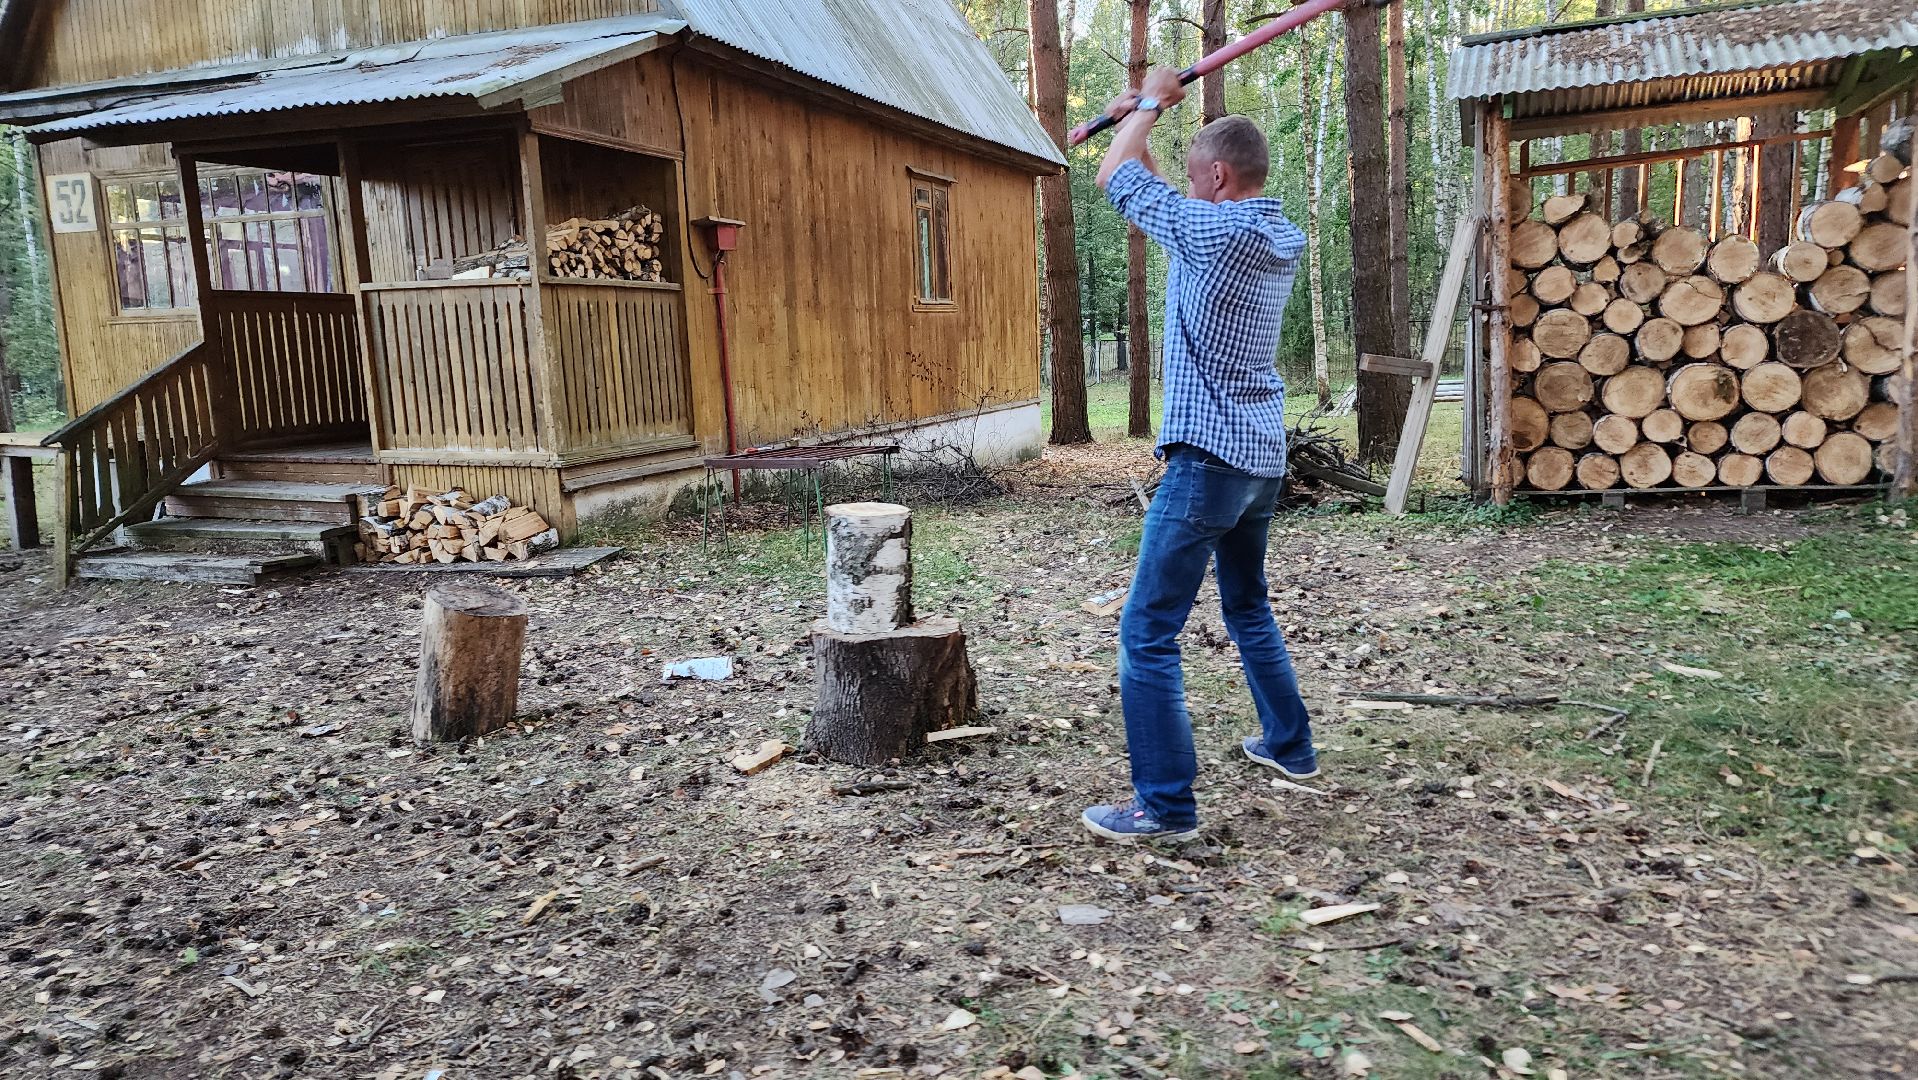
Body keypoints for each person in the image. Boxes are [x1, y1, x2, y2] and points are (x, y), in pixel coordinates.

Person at [1080, 69, 1317, 842]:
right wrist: (1137, 122)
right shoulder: (1271, 232)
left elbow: (1117, 176)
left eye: (1192, 175)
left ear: (1217, 176)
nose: (1185, 186)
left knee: (1147, 632)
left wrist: (1147, 106)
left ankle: (1165, 808)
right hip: (1259, 460)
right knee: (1247, 605)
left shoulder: (1211, 233)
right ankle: (1290, 746)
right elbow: (1148, 188)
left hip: (1208, 462)